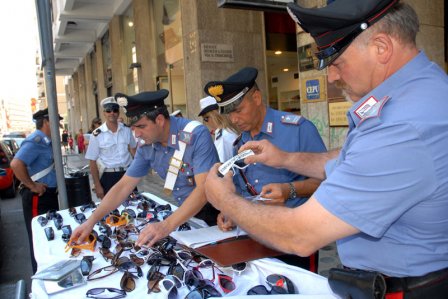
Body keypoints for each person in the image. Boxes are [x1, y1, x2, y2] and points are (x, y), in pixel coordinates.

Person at [205, 1, 448, 297]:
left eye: (336, 61)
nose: (331, 77)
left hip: (408, 288)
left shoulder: (402, 124)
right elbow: (351, 158)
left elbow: (301, 235)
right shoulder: (414, 92)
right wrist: (285, 158)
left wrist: (225, 199)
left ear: (381, 47)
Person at [204, 67, 326, 271]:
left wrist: (290, 190)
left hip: (295, 236)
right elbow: (244, 189)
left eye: (238, 110)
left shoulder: (298, 130)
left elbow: (327, 181)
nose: (233, 119)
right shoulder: (240, 142)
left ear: (257, 98)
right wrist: (230, 211)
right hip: (256, 236)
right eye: (228, 113)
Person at [71, 89, 220, 248]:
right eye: (132, 128)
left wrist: (165, 226)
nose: (136, 134)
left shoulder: (195, 134)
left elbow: (204, 189)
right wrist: (90, 222)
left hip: (215, 213)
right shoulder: (146, 146)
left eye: (141, 126)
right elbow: (123, 186)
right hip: (186, 215)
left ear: (160, 120)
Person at [10, 108, 63, 273]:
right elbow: (16, 164)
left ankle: (51, 270)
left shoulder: (48, 140)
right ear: (46, 121)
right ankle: (40, 275)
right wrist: (32, 185)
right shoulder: (36, 140)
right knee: (38, 237)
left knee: (49, 234)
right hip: (37, 197)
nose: (59, 125)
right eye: (56, 121)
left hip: (48, 195)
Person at [85, 97, 137, 199]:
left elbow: (134, 150)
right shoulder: (96, 134)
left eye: (115, 110)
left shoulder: (127, 130)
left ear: (118, 112)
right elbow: (92, 162)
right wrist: (97, 185)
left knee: (133, 206)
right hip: (108, 177)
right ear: (104, 113)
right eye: (108, 110)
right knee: (111, 211)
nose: (112, 113)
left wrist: (137, 173)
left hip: (127, 174)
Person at [198, 96, 239, 162]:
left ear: (215, 116)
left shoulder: (223, 136)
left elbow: (220, 165)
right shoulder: (228, 131)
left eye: (206, 118)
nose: (206, 123)